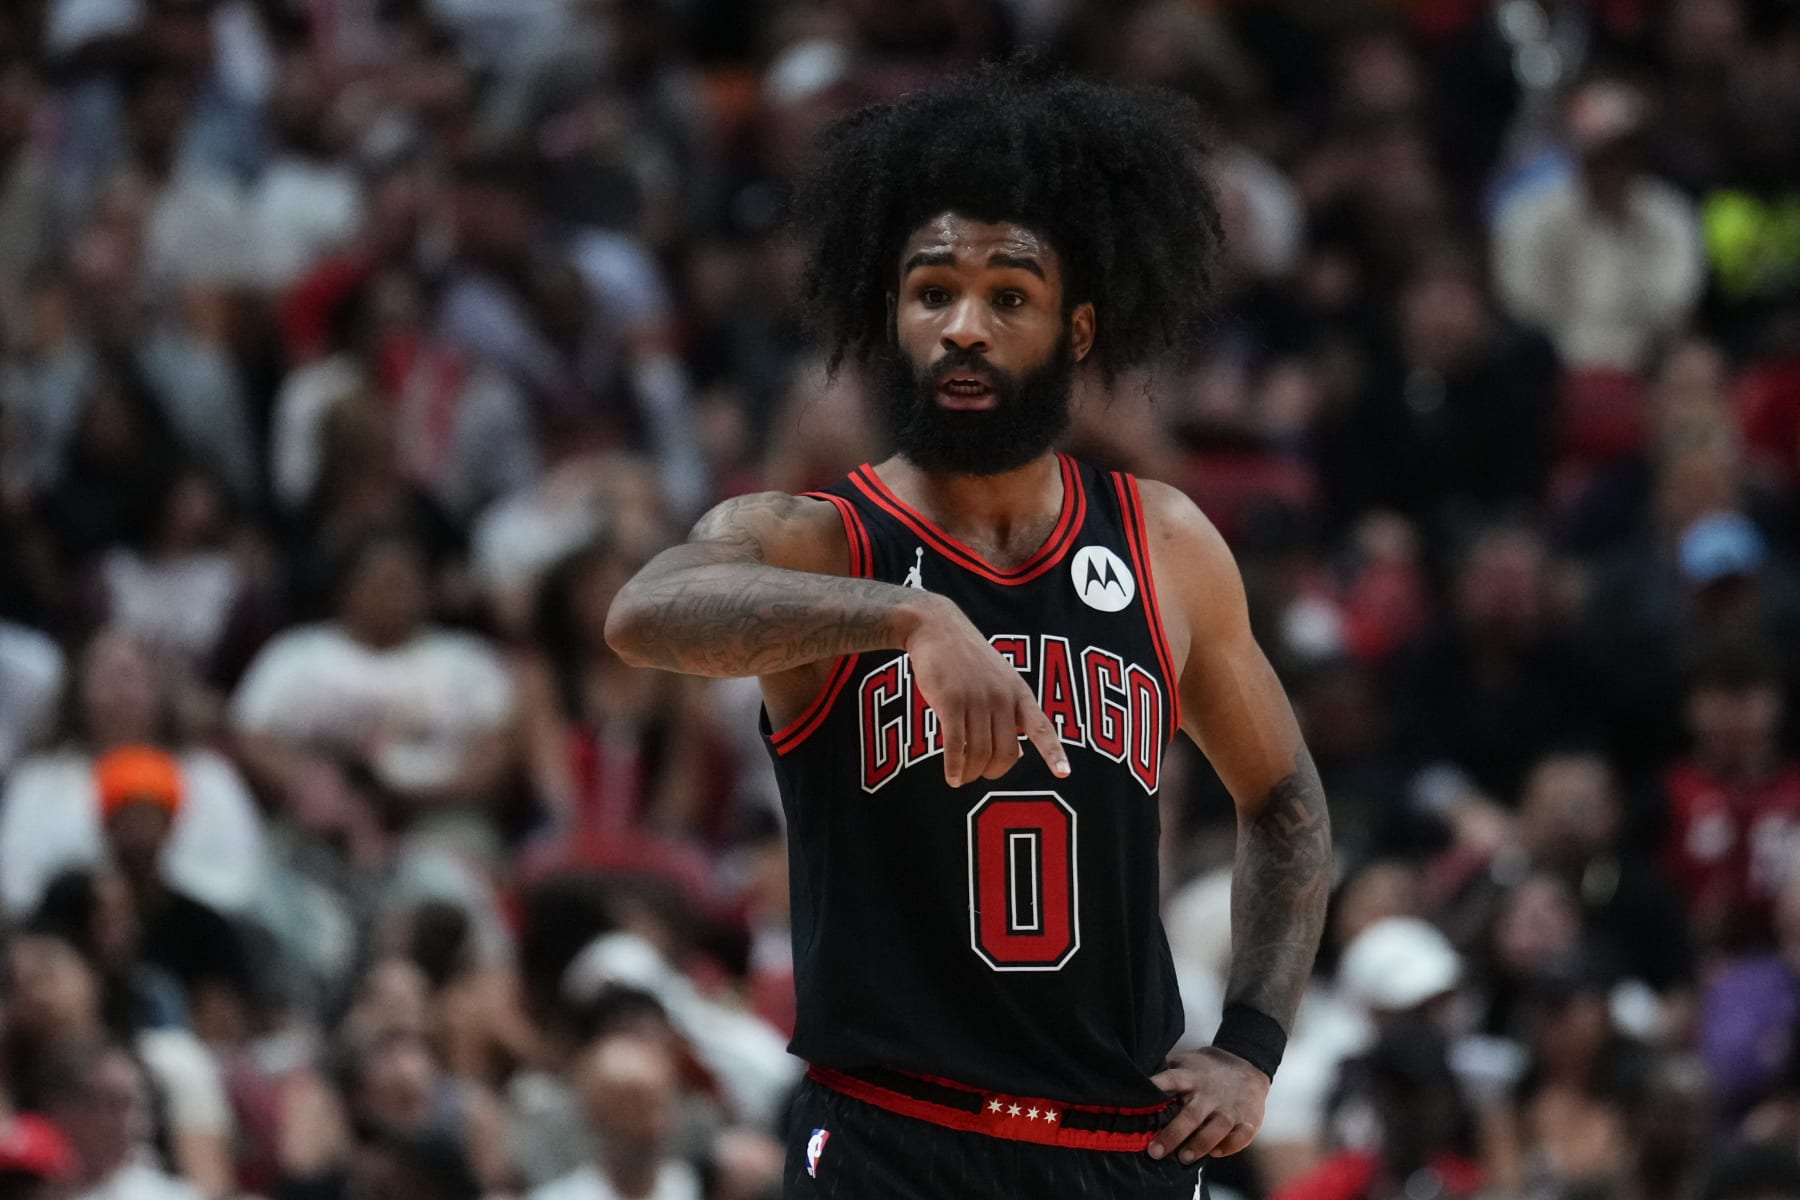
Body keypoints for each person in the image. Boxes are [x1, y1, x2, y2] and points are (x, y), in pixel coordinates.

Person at [605, 62, 1333, 1198]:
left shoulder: (1167, 544)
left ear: (1076, 327)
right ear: (887, 318)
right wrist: (905, 613)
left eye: (1008, 296)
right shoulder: (823, 538)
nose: (964, 328)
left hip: (1116, 1149)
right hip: (893, 1139)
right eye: (931, 291)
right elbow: (645, 612)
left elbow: (1285, 806)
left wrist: (1251, 1047)